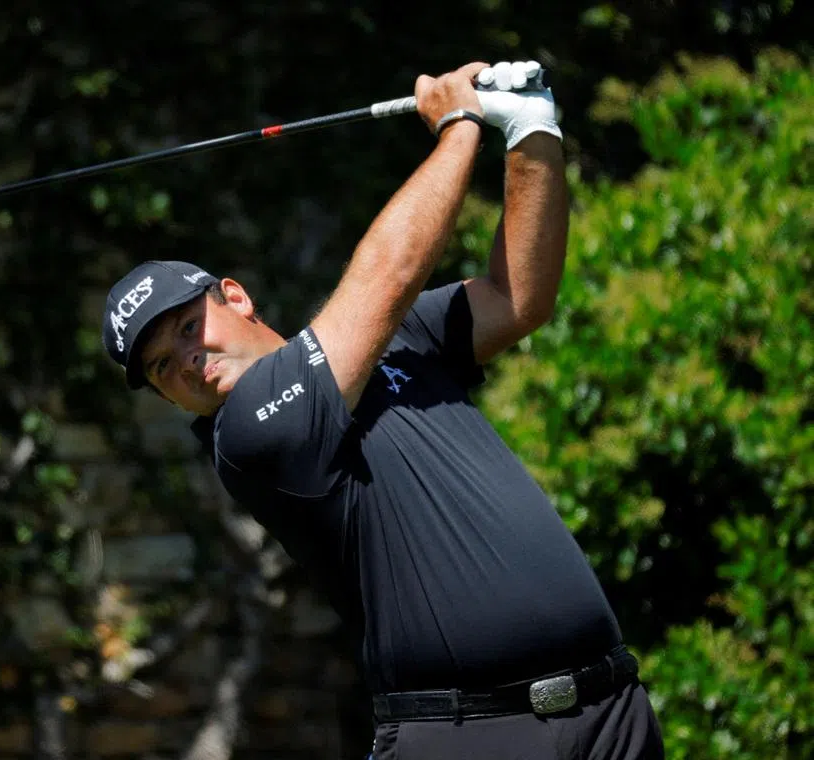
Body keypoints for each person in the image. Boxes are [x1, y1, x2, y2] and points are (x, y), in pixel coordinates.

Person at [102, 60, 664, 759]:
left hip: (611, 712)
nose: (186, 358)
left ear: (235, 297)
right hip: (469, 735)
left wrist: (531, 130)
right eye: (162, 365)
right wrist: (459, 127)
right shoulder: (251, 434)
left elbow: (517, 299)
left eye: (189, 327)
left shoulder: (396, 338)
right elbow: (389, 274)